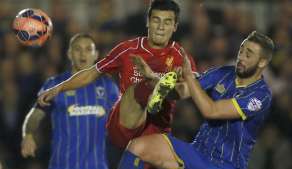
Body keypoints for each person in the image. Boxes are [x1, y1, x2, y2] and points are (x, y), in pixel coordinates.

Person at [114, 31, 275, 169]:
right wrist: (155, 80)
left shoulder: (261, 95)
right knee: (138, 147)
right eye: (241, 50)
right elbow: (182, 90)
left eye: (249, 54)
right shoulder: (223, 73)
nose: (241, 57)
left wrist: (189, 76)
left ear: (262, 62)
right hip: (197, 153)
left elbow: (212, 111)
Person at [38, 0, 196, 150]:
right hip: (124, 127)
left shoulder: (181, 57)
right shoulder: (128, 49)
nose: (161, 27)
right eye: (156, 20)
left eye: (167, 22)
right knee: (143, 87)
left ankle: (157, 83)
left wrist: (184, 80)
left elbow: (192, 90)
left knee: (184, 85)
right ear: (147, 22)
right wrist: (59, 88)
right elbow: (91, 73)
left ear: (175, 26)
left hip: (157, 134)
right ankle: (154, 84)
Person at [21, 33, 119, 169]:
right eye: (78, 49)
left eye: (88, 49)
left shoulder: (108, 86)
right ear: (69, 53)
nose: (83, 54)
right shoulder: (54, 84)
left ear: (96, 55)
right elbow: (35, 115)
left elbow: (123, 119)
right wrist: (28, 134)